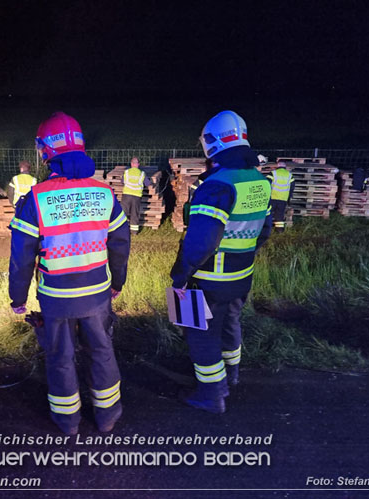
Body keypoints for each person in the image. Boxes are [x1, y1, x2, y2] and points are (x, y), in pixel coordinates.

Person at [8, 112, 130, 435]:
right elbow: (120, 242)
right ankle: (107, 417)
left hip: (57, 299)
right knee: (102, 351)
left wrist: (17, 299)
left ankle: (68, 421)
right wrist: (118, 282)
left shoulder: (35, 199)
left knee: (60, 356)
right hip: (97, 295)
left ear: (45, 151)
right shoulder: (105, 194)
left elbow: (21, 258)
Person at [170, 110, 272, 414]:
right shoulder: (259, 181)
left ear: (211, 143)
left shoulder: (216, 186)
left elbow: (201, 243)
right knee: (231, 323)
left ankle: (211, 394)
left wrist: (181, 276)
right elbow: (264, 232)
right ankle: (232, 375)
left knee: (200, 334)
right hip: (242, 277)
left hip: (209, 280)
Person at [120, 157, 151, 234]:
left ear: (131, 164)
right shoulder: (142, 174)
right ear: (138, 164)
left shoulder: (126, 172)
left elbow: (122, 181)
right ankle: (134, 231)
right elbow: (147, 183)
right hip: (136, 196)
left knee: (123, 213)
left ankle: (121, 230)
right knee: (135, 213)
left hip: (126, 195)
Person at [266, 160, 295, 232]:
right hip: (283, 198)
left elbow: (267, 184)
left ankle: (266, 228)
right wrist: (289, 198)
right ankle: (279, 230)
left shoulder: (273, 173)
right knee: (279, 214)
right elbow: (292, 187)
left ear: (278, 165)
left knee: (268, 213)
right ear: (285, 166)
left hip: (272, 197)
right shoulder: (289, 175)